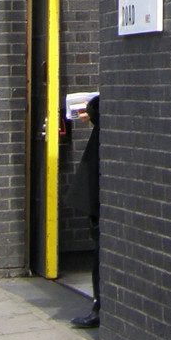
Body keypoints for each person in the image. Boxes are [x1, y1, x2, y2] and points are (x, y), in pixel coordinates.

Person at [68, 95, 100, 328]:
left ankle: (100, 307)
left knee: (100, 243)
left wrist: (93, 107)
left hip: (100, 183)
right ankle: (99, 305)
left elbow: (104, 106)